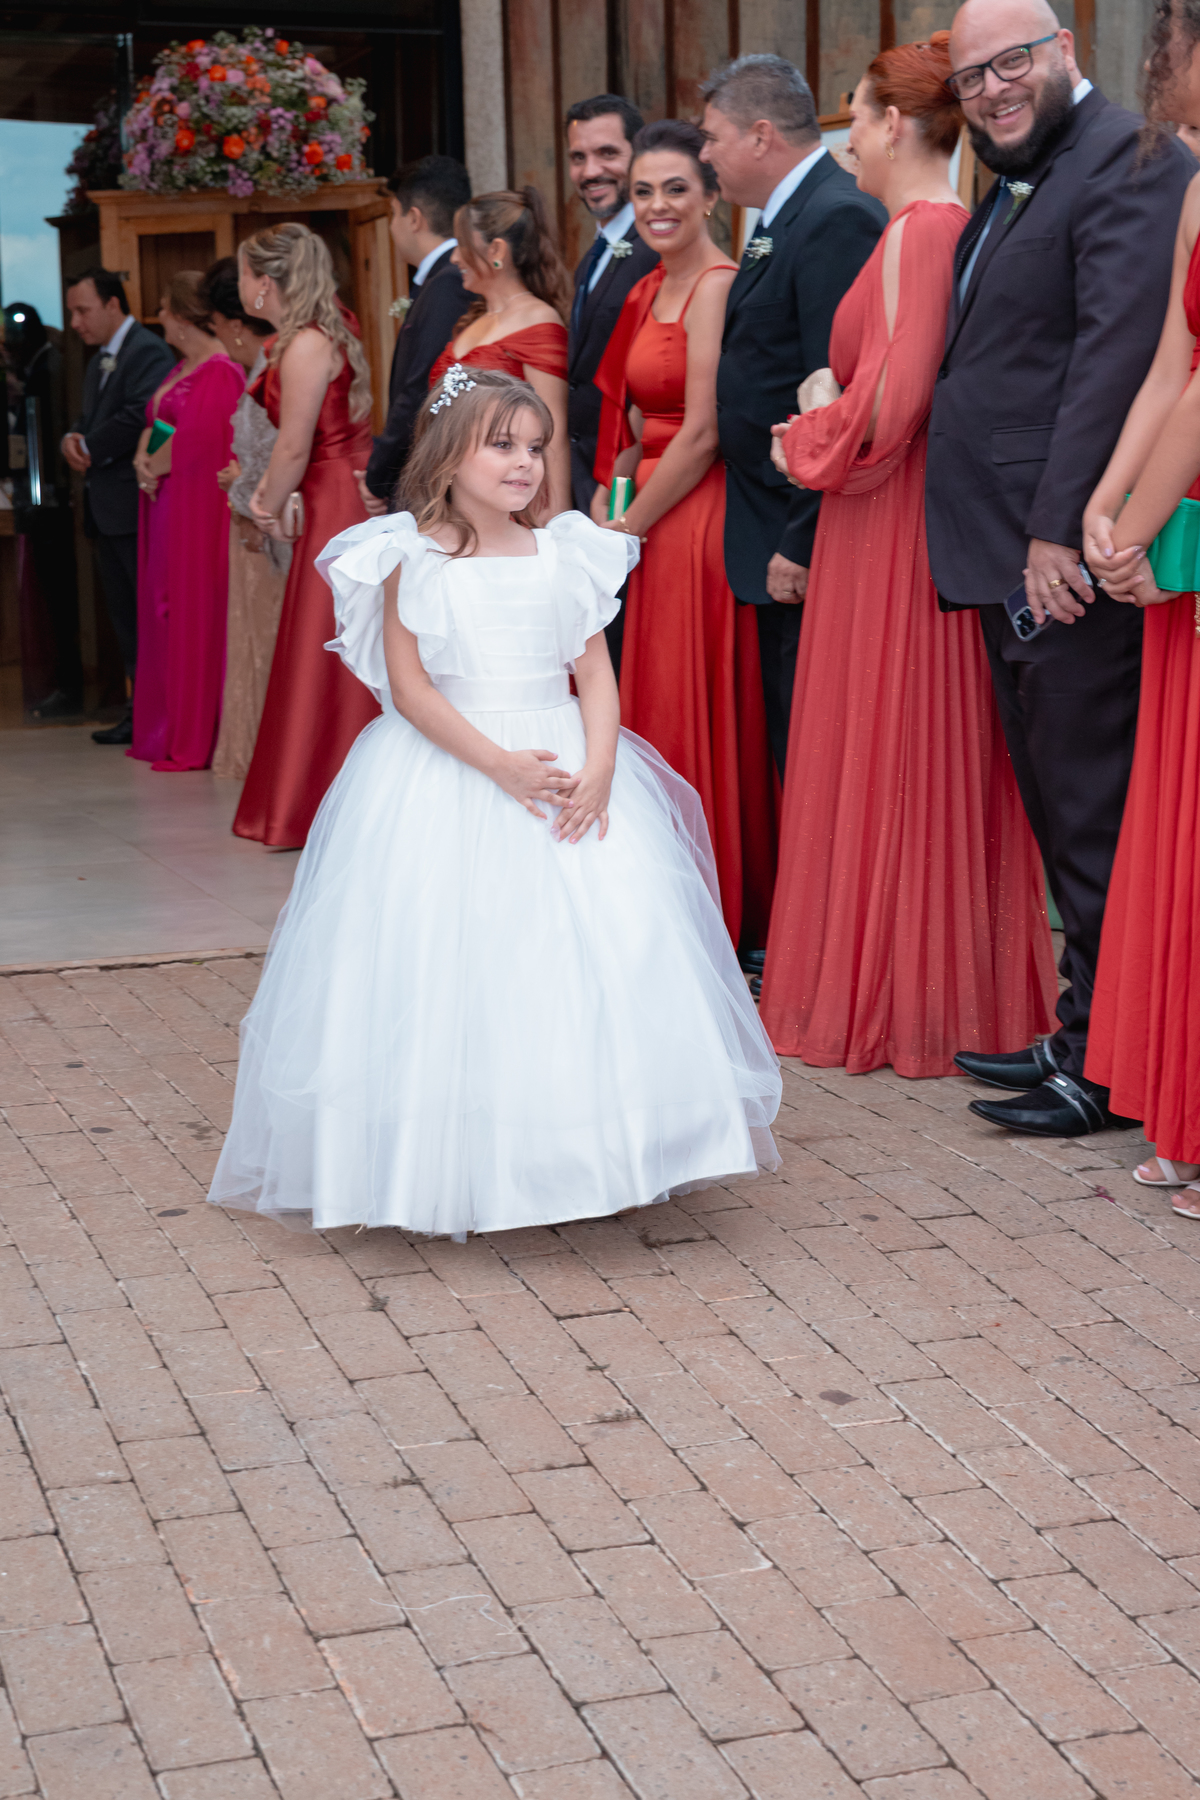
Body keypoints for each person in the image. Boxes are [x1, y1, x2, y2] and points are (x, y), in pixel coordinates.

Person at [207, 368, 781, 1234]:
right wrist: (501, 768)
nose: (524, 463)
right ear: (450, 455)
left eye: (537, 447)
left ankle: (602, 1150)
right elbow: (410, 690)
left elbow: (592, 669)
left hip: (567, 771)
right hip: (455, 768)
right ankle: (451, 1162)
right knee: (451, 965)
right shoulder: (410, 556)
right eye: (502, 445)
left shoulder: (566, 549)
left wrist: (599, 767)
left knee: (599, 956)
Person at [757, 35, 1057, 1077]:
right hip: (885, 518)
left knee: (890, 751)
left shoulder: (920, 235)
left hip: (890, 525)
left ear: (892, 123)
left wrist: (807, 434)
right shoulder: (927, 231)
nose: (845, 138)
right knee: (885, 752)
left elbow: (894, 402)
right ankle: (908, 983)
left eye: (853, 115)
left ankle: (901, 995)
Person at [926, 0, 1194, 1138]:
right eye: (972, 76)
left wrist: (1055, 526)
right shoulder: (1026, 165)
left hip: (1063, 552)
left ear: (1064, 50)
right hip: (1006, 542)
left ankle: (1107, 1065)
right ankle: (1088, 1027)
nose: (990, 88)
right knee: (1059, 800)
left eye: (1010, 63)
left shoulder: (1130, 158)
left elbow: (1120, 351)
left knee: (1088, 806)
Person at [593, 118, 775, 951]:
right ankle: (655, 897)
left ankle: (718, 910)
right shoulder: (643, 289)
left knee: (694, 702)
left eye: (675, 189)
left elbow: (700, 431)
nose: (658, 206)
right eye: (643, 192)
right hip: (647, 518)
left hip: (697, 517)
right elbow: (631, 422)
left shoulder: (718, 285)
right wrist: (605, 502)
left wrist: (628, 525)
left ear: (709, 196)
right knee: (651, 707)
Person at [1081, 7, 1200, 1206]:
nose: (1154, 66)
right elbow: (1172, 363)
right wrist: (1107, 512)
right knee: (1182, 826)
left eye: (1171, 42)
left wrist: (1142, 529)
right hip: (1182, 532)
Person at [700, 55, 886, 776]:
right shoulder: (783, 216)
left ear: (760, 135)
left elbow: (837, 395)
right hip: (762, 518)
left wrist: (804, 540)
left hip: (799, 531)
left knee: (811, 749)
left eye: (713, 138)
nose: (706, 154)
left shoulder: (836, 216)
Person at [232, 223, 377, 850]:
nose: (239, 285)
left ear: (264, 284)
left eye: (242, 273)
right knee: (326, 643)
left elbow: (294, 444)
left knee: (330, 646)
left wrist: (262, 501)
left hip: (333, 499)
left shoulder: (306, 344)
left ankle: (320, 800)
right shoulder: (319, 334)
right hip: (329, 492)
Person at [129, 272, 244, 771]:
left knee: (187, 603)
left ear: (180, 315)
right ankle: (166, 722)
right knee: (161, 605)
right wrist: (143, 457)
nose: (160, 319)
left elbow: (202, 440)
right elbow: (162, 424)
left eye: (163, 309)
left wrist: (156, 463)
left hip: (194, 506)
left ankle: (195, 727)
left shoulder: (221, 369)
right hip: (166, 500)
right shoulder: (182, 367)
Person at [566, 94, 660, 674]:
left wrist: (616, 490)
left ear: (638, 154)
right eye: (578, 157)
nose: (590, 170)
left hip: (625, 480)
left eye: (606, 153)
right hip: (586, 478)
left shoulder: (654, 248)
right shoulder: (596, 254)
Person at [62, 268, 175, 745]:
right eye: (72, 312)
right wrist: (74, 435)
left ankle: (153, 711)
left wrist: (91, 446)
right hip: (107, 508)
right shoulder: (97, 362)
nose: (75, 322)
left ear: (113, 305)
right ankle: (139, 709)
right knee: (125, 616)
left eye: (83, 310)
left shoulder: (147, 350)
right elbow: (93, 416)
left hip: (135, 503)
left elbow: (141, 414)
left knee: (145, 614)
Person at [428, 189, 572, 517]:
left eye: (461, 245)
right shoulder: (472, 323)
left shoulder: (539, 320)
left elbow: (553, 432)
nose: (454, 258)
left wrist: (552, 519)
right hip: (459, 503)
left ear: (496, 250)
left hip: (514, 507)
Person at [201, 258, 287, 783]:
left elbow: (275, 450)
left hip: (267, 521)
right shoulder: (267, 364)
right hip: (260, 511)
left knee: (269, 644)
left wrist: (242, 489)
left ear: (234, 325)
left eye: (216, 327)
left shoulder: (272, 367)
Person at [359, 155, 471, 510]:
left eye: (393, 214)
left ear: (414, 218)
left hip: (432, 483)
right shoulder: (443, 279)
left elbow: (421, 388)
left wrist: (380, 476)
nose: (392, 226)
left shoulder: (449, 283)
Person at [5, 302, 80, 719]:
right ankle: (60, 681)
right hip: (39, 499)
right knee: (51, 600)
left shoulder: (49, 367)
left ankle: (68, 684)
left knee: (62, 602)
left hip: (51, 501)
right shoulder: (35, 367)